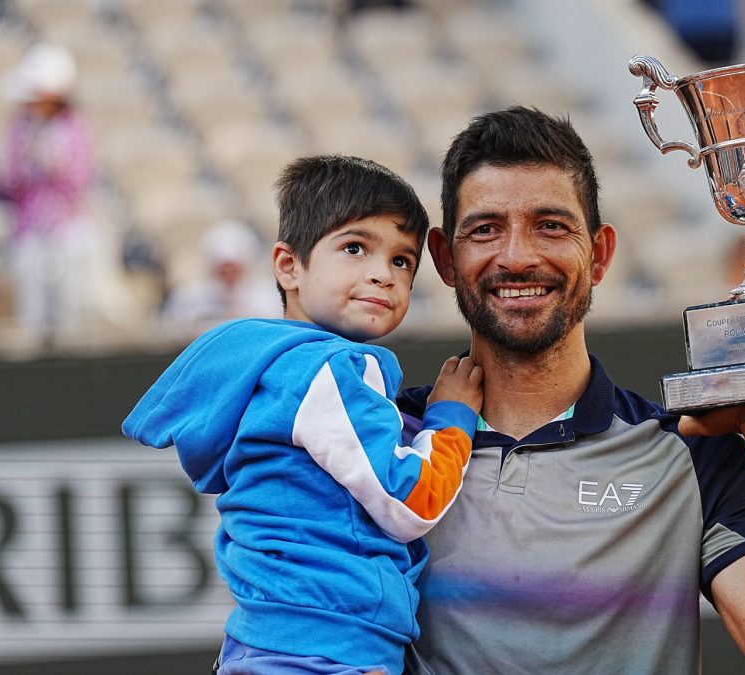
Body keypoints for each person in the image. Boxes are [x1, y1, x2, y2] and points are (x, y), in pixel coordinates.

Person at [398, 106, 745, 674]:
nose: (517, 257)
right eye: (485, 229)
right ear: (446, 257)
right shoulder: (382, 440)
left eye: (550, 225)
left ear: (599, 254)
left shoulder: (688, 455)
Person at [122, 155, 484, 675]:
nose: (382, 274)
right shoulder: (327, 370)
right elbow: (411, 499)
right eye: (355, 248)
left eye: (402, 261)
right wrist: (452, 419)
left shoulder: (274, 365)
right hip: (325, 653)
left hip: (274, 647)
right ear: (288, 266)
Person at [0, 42, 95, 346]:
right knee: (33, 309)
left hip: (67, 226)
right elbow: (10, 181)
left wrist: (51, 162)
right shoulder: (18, 128)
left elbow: (78, 179)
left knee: (71, 309)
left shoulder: (76, 127)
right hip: (29, 229)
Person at [160, 218, 281, 336]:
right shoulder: (188, 297)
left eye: (234, 270)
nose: (229, 275)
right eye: (223, 270)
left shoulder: (268, 296)